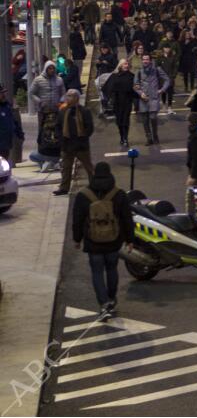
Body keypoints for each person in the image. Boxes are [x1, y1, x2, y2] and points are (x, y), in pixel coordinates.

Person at [71, 161, 134, 320]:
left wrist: (77, 239)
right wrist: (129, 240)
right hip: (113, 241)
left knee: (97, 272)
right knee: (112, 269)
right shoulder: (119, 194)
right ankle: (112, 299)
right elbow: (127, 219)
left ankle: (103, 304)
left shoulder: (83, 195)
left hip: (93, 242)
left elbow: (77, 220)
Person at [54, 89, 96, 196]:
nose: (67, 98)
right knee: (66, 168)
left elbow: (89, 127)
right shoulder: (63, 111)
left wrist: (83, 137)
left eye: (70, 96)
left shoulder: (84, 111)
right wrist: (61, 139)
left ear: (76, 98)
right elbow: (58, 126)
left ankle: (95, 186)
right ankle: (64, 188)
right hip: (67, 146)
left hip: (81, 145)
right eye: (67, 96)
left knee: (89, 167)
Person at [134, 54, 169, 145]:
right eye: (144, 59)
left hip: (154, 98)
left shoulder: (157, 70)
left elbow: (167, 80)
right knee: (145, 121)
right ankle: (149, 138)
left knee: (153, 117)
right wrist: (140, 93)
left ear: (150, 60)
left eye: (147, 59)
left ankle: (155, 135)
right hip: (143, 99)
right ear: (142, 60)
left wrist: (162, 90)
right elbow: (135, 85)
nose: (145, 61)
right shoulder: (138, 71)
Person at [0, 85, 24, 167]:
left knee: (4, 166)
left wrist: (20, 134)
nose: (4, 95)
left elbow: (14, 122)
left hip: (6, 143)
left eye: (4, 93)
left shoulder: (7, 106)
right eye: (1, 93)